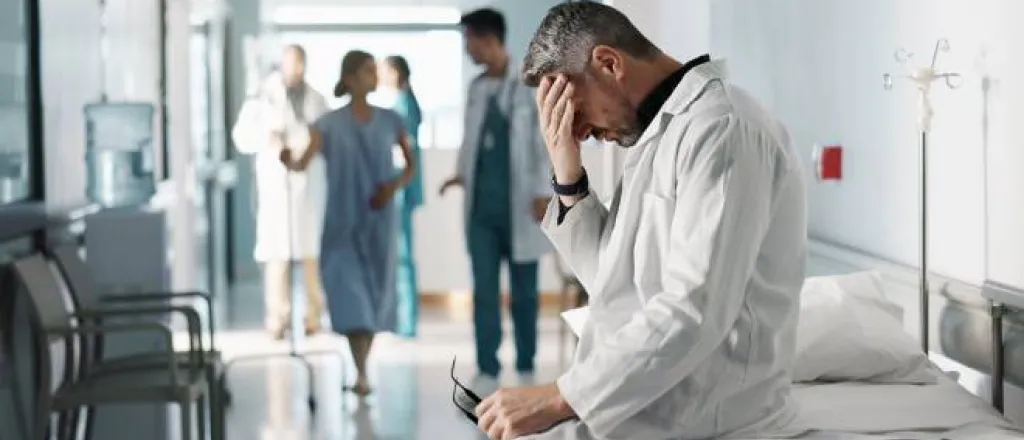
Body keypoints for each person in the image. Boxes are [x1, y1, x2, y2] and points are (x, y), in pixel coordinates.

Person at [474, 3, 808, 440]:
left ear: (609, 64)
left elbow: (695, 310)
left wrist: (560, 397)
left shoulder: (724, 128)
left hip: (714, 421)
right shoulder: (660, 135)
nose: (579, 131)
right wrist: (566, 171)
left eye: (574, 110)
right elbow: (615, 281)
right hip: (649, 407)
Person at [281, 50, 417, 396]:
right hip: (342, 224)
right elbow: (301, 163)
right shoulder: (327, 125)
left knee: (371, 298)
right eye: (369, 71)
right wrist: (287, 160)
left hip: (378, 222)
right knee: (351, 296)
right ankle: (361, 371)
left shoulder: (390, 120)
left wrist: (394, 186)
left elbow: (411, 166)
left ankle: (362, 369)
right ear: (351, 77)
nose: (375, 77)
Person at [439, 8, 553, 389]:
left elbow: (542, 144)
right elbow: (471, 141)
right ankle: (487, 365)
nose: (466, 49)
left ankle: (526, 362)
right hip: (482, 211)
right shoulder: (476, 88)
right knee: (484, 291)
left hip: (520, 205)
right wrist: (459, 173)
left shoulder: (529, 83)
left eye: (468, 41)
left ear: (488, 40)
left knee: (524, 293)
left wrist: (542, 191)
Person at [231, 44, 329, 341]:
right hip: (276, 185)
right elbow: (242, 137)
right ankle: (278, 318)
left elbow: (325, 135)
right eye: (290, 63)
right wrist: (269, 139)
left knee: (311, 254)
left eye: (299, 63)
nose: (295, 68)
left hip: (307, 185)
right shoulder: (263, 99)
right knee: (277, 257)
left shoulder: (317, 99)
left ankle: (313, 316)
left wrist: (305, 152)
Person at [381, 55, 424, 338]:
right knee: (401, 255)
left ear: (395, 72)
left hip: (401, 189)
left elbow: (403, 151)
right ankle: (403, 320)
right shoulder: (403, 101)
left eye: (383, 71)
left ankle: (406, 322)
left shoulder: (403, 105)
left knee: (403, 256)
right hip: (401, 188)